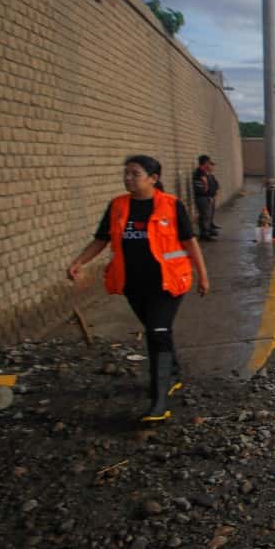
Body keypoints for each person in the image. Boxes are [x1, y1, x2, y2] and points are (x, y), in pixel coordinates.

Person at [67, 155, 210, 423]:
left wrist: (203, 276)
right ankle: (173, 372)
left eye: (135, 173)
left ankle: (159, 401)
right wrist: (79, 262)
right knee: (159, 331)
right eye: (126, 173)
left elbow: (190, 243)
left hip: (167, 283)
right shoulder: (118, 206)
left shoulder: (171, 205)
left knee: (156, 333)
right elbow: (101, 240)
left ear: (153, 178)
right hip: (133, 284)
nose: (128, 178)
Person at [193, 155, 220, 240]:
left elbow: (213, 184)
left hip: (207, 197)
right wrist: (208, 191)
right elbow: (204, 188)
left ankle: (207, 231)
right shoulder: (199, 172)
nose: (209, 165)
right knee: (205, 216)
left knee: (207, 216)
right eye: (208, 163)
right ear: (205, 163)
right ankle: (204, 234)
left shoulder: (205, 173)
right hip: (203, 198)